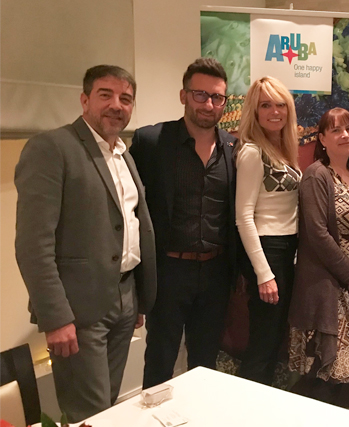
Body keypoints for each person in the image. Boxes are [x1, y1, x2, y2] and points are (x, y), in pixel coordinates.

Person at [15, 65, 157, 421]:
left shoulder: (124, 154)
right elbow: (34, 244)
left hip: (125, 299)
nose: (116, 105)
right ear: (84, 100)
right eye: (105, 95)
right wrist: (56, 318)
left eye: (125, 99)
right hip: (78, 309)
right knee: (86, 411)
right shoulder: (52, 147)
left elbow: (130, 225)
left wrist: (138, 298)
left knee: (107, 408)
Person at [130, 57, 237, 389]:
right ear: (183, 95)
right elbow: (131, 211)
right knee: (160, 361)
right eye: (200, 95)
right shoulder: (150, 142)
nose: (209, 104)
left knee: (204, 365)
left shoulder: (232, 148)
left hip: (216, 272)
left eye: (217, 97)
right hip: (168, 272)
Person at [288, 108, 349, 405]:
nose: (345, 135)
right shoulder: (317, 175)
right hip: (328, 287)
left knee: (343, 375)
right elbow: (316, 234)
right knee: (324, 375)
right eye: (336, 130)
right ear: (322, 138)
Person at [235, 76, 301, 385]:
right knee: (263, 342)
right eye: (265, 105)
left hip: (285, 250)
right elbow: (244, 217)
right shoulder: (252, 152)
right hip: (267, 251)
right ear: (255, 111)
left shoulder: (282, 149)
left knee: (274, 338)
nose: (274, 112)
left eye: (280, 105)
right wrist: (264, 273)